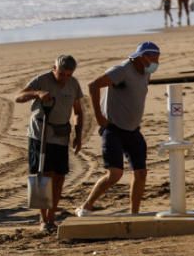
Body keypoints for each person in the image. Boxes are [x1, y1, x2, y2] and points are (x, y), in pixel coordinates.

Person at [76, 41, 161, 217]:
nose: (156, 62)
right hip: (113, 129)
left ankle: (134, 213)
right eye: (153, 58)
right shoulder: (121, 70)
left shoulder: (146, 73)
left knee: (141, 173)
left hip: (133, 130)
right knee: (115, 174)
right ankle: (86, 206)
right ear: (141, 57)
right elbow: (93, 85)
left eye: (158, 58)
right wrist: (99, 117)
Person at [14, 54, 85, 232]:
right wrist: (37, 93)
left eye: (68, 74)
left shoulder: (74, 84)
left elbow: (77, 112)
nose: (64, 78)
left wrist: (78, 135)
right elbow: (19, 97)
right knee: (43, 175)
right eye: (61, 74)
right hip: (40, 133)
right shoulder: (42, 80)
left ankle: (52, 217)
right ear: (54, 69)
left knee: (59, 176)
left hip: (61, 134)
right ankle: (43, 219)